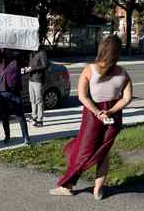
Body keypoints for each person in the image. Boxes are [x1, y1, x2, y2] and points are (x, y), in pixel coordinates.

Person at [50, 35, 132, 199]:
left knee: (83, 151)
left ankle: (68, 186)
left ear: (101, 49)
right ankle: (98, 190)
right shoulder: (123, 73)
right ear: (117, 53)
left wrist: (97, 112)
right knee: (103, 152)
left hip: (92, 115)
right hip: (113, 117)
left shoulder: (89, 69)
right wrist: (111, 111)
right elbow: (127, 98)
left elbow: (82, 96)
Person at [0, 28, 31, 145]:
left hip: (15, 91)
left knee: (20, 115)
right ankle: (7, 136)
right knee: (4, 116)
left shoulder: (17, 59)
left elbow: (26, 57)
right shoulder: (1, 60)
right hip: (4, 91)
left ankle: (26, 138)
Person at [25, 47, 47, 127]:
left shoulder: (42, 52)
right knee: (32, 100)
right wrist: (27, 68)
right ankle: (34, 117)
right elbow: (30, 65)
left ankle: (40, 120)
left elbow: (44, 65)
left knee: (39, 100)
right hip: (31, 79)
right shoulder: (31, 53)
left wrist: (33, 69)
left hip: (38, 79)